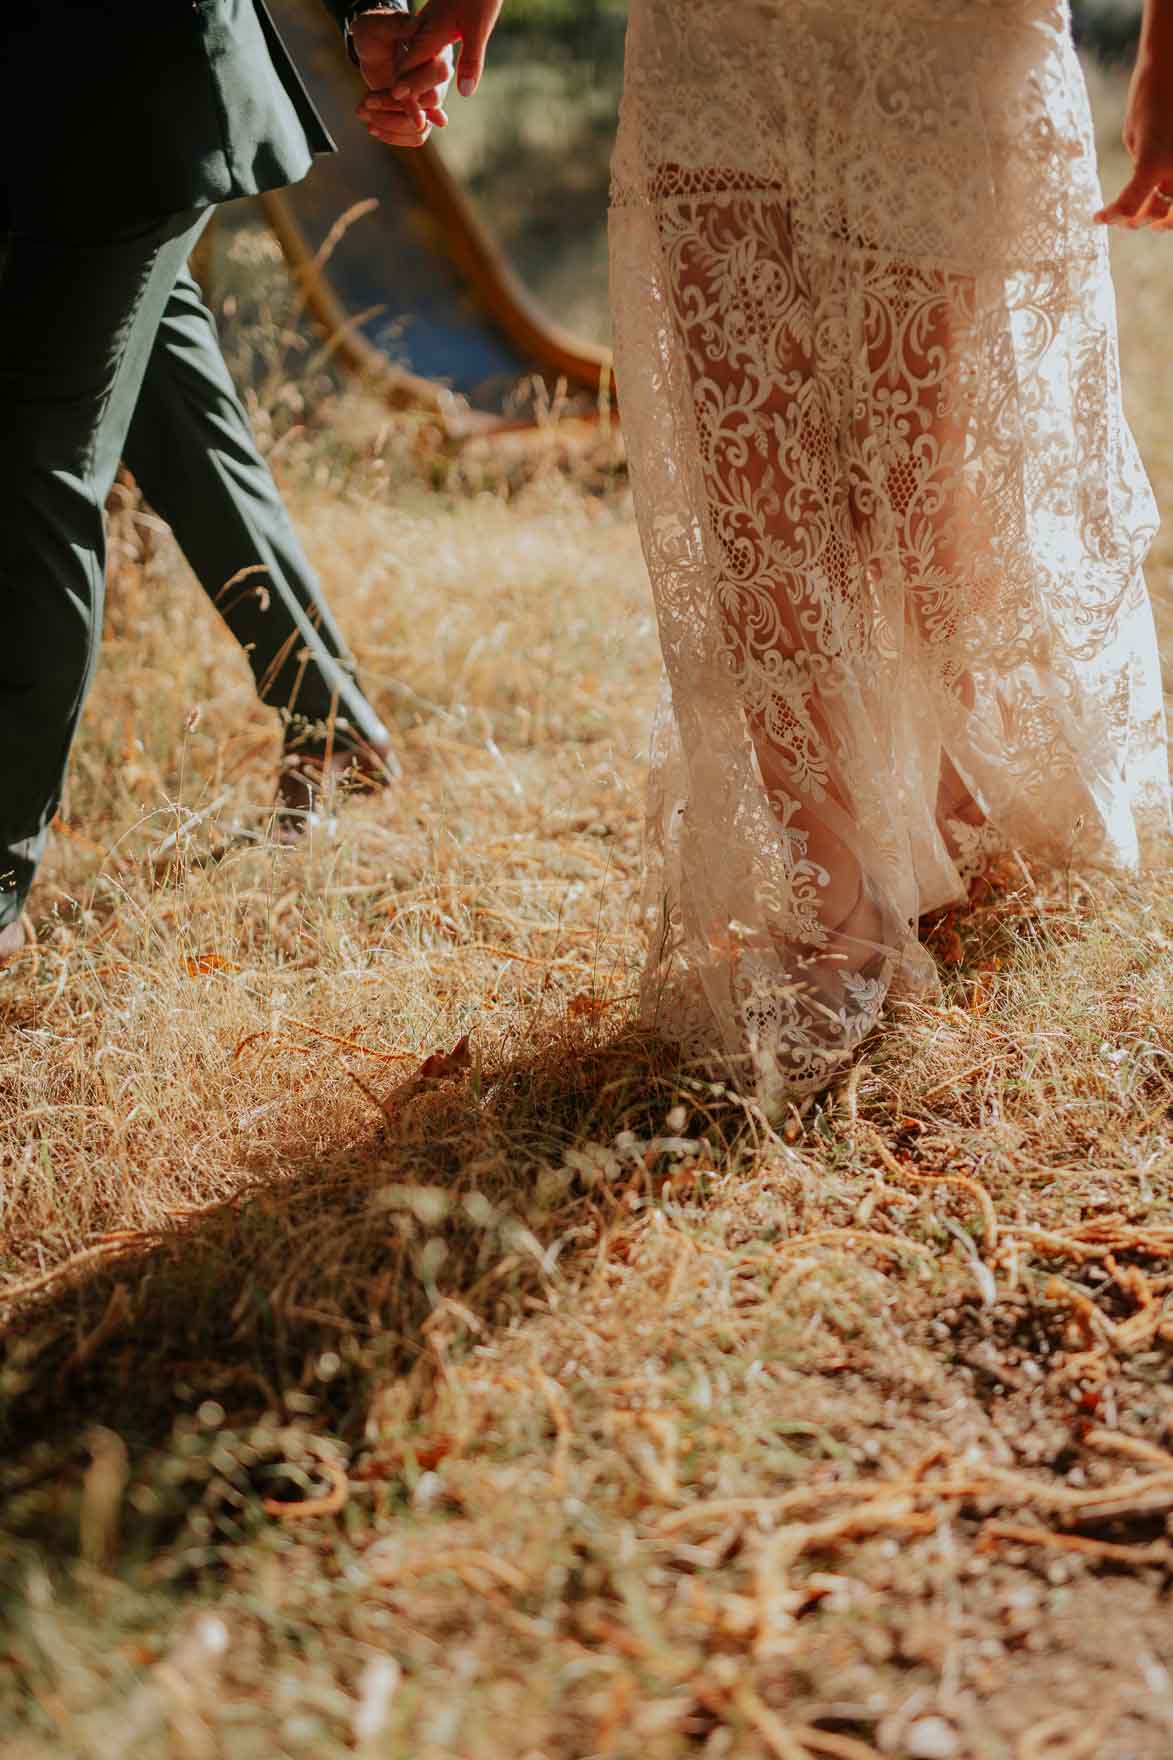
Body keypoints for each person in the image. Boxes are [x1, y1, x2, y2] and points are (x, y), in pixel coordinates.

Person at [608, 0, 1172, 1100]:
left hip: (944, 24)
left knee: (927, 490)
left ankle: (961, 786)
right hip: (715, 28)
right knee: (749, 478)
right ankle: (839, 900)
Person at [0, 0, 497, 964]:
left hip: (120, 87)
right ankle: (335, 728)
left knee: (30, 472)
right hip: (42, 95)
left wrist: (378, 9)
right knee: (169, 411)